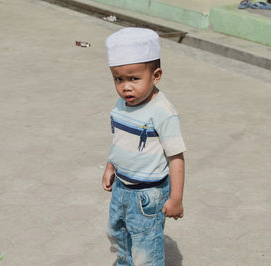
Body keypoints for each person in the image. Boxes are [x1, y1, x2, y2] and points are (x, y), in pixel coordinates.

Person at [102, 27, 186, 266]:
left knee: (145, 247)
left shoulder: (163, 112)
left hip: (148, 195)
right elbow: (120, 139)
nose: (125, 87)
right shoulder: (122, 103)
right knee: (118, 234)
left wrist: (176, 198)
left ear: (156, 75)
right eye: (118, 79)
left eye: (134, 78)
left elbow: (176, 158)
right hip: (121, 187)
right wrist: (110, 167)